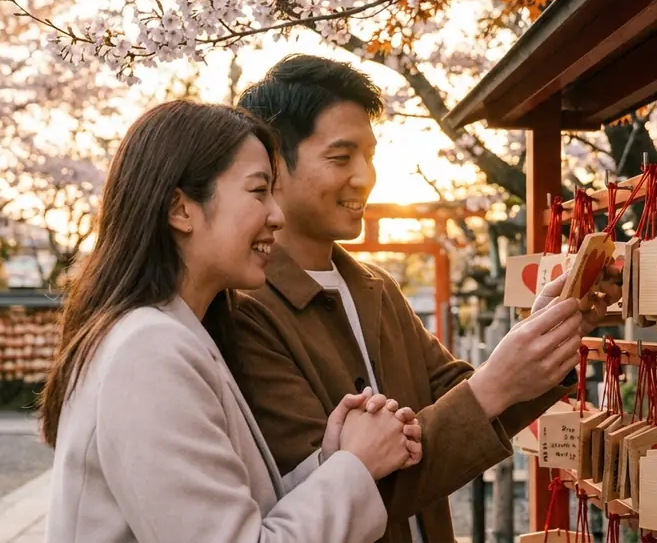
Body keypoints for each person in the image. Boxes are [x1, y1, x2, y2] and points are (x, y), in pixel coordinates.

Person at [234, 55, 622, 543]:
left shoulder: (375, 287)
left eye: (369, 155)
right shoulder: (246, 311)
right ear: (274, 167)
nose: (365, 176)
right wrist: (497, 382)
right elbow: (334, 492)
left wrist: (546, 330)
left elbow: (460, 397)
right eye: (340, 157)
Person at [38, 100, 425, 543]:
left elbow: (235, 513)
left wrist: (333, 459)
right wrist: (356, 466)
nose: (276, 216)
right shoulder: (149, 352)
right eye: (259, 191)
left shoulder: (173, 334)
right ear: (181, 209)